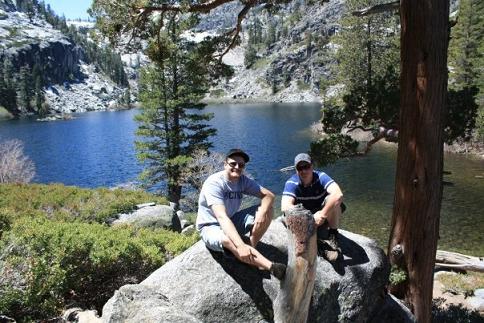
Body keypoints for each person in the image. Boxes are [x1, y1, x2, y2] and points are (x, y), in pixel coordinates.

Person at [196, 148, 286, 279]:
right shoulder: (215, 183)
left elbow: (269, 196)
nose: (237, 167)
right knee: (228, 240)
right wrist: (239, 245)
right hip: (210, 226)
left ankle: (251, 247)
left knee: (267, 210)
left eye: (241, 165)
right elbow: (221, 216)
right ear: (225, 164)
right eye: (233, 164)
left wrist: (261, 214)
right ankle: (272, 267)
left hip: (232, 219)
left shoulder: (242, 180)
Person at [281, 153, 345, 261]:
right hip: (305, 219)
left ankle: (333, 234)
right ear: (296, 170)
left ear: (312, 166)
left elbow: (338, 194)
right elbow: (285, 206)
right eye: (300, 168)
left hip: (323, 217)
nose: (304, 171)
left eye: (306, 166)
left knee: (333, 200)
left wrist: (322, 214)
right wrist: (308, 218)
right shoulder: (292, 183)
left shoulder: (321, 177)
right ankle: (319, 245)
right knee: (285, 217)